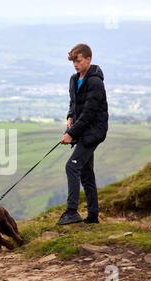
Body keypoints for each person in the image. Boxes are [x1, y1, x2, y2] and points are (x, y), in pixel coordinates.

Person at [57, 44, 109, 225]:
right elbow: (74, 104)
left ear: (88, 59)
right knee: (86, 173)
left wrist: (70, 134)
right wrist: (70, 116)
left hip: (93, 132)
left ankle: (72, 212)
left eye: (78, 61)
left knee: (71, 167)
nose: (75, 65)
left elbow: (89, 113)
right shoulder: (74, 79)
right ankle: (93, 216)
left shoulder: (95, 82)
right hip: (81, 130)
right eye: (73, 62)